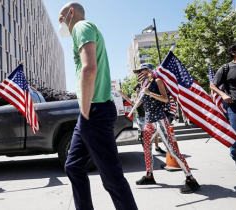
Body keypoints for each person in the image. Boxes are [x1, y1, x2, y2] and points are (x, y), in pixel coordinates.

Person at [58, 2, 138, 209]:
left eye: (61, 19)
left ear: (71, 13)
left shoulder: (81, 27)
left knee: (111, 176)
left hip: (94, 111)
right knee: (74, 166)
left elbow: (89, 68)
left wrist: (85, 112)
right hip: (90, 112)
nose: (61, 24)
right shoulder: (85, 29)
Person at [133, 63, 200, 194]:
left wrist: (149, 93)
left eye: (142, 70)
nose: (140, 73)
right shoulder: (143, 85)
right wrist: (136, 99)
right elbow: (139, 101)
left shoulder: (157, 81)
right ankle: (149, 175)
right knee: (146, 148)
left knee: (172, 150)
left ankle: (191, 179)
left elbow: (165, 99)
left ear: (149, 70)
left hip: (159, 119)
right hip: (148, 120)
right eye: (138, 71)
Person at [210, 42, 236, 170]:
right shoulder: (226, 68)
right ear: (233, 52)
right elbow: (213, 85)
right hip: (235, 107)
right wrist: (223, 95)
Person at [120, 83, 166, 154]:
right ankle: (146, 150)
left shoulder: (146, 93)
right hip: (141, 117)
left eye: (139, 87)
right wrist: (135, 94)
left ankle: (156, 147)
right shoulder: (135, 95)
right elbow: (134, 104)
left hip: (149, 115)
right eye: (137, 88)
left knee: (155, 132)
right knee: (144, 135)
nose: (139, 89)